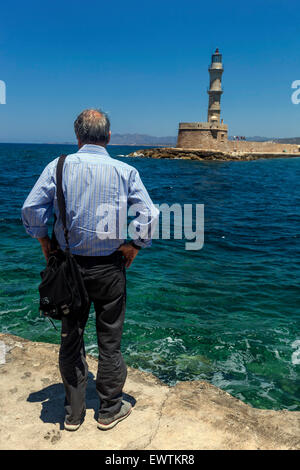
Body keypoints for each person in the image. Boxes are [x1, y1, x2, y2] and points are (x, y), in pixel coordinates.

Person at [21, 109, 159, 431]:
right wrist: (134, 246)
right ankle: (109, 410)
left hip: (69, 269)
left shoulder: (58, 167)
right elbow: (149, 214)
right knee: (110, 341)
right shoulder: (125, 171)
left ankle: (73, 415)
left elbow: (31, 208)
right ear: (109, 137)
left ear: (77, 136)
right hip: (110, 268)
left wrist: (44, 242)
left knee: (71, 340)